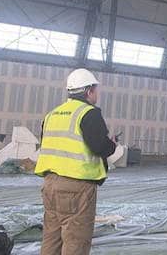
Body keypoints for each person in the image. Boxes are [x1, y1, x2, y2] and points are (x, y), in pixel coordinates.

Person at [35, 68, 116, 255]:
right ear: (88, 91)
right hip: (76, 187)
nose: (97, 93)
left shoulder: (52, 114)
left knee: (51, 238)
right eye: (96, 89)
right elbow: (99, 147)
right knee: (76, 241)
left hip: (50, 184)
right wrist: (111, 145)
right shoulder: (88, 113)